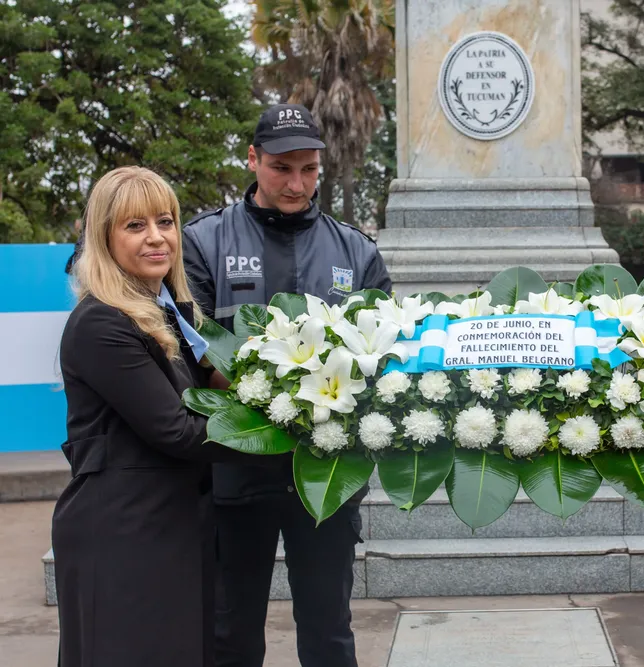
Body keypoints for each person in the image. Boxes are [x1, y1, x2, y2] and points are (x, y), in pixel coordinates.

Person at [183, 103, 392, 667]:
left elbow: (387, 359)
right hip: (234, 471)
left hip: (325, 474)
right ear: (252, 160)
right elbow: (190, 354)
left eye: (308, 169)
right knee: (230, 633)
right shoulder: (202, 242)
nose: (296, 184)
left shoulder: (359, 251)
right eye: (281, 168)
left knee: (328, 632)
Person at [53, 166, 254, 666]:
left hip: (173, 527)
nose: (156, 238)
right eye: (134, 226)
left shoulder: (170, 310)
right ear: (104, 237)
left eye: (164, 222)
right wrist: (284, 433)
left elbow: (211, 391)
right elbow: (178, 431)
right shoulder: (102, 321)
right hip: (123, 535)